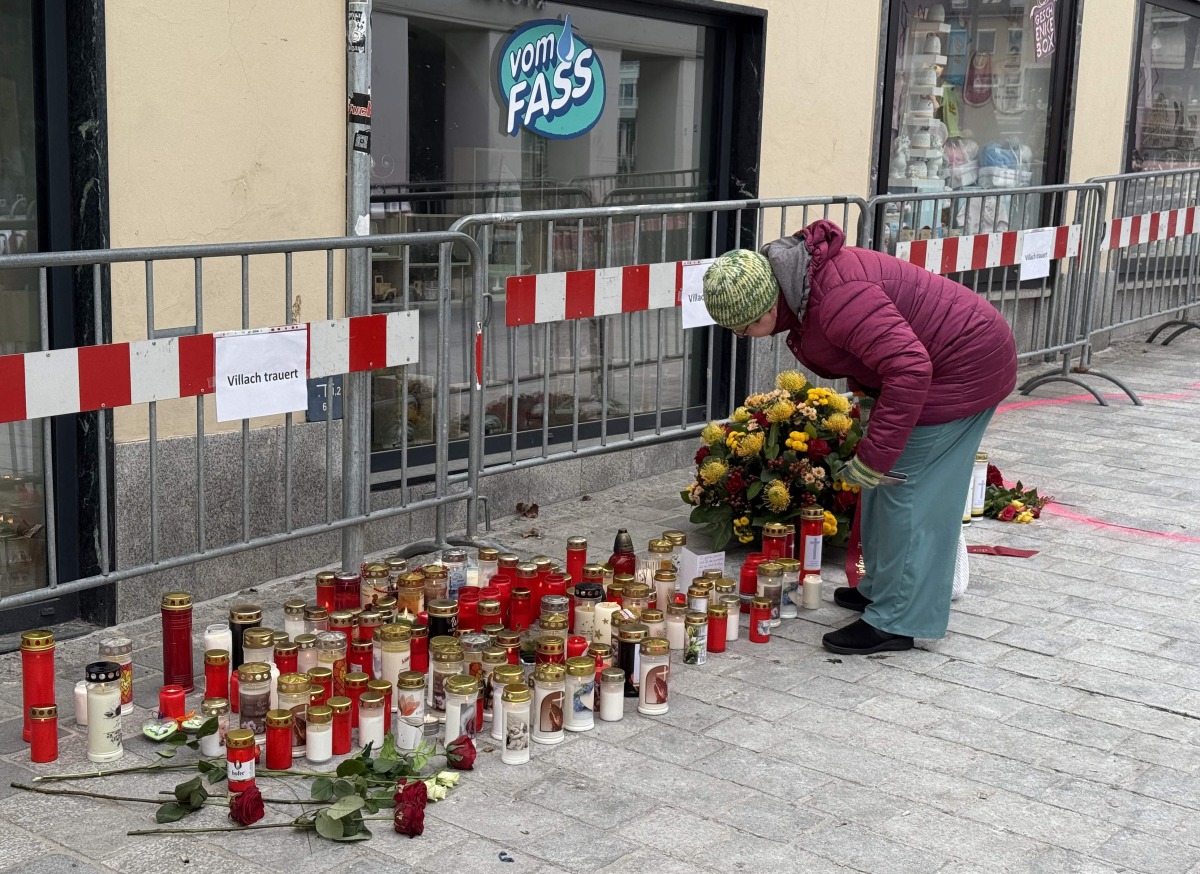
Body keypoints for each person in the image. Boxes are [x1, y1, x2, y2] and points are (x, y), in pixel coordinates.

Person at [702, 220, 1017, 655]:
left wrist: (877, 453)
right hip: (938, 363)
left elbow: (909, 367)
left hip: (963, 366)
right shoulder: (804, 289)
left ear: (767, 308)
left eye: (743, 329)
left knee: (908, 491)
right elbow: (873, 353)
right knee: (884, 486)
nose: (743, 338)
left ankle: (898, 619)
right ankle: (882, 589)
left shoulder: (836, 299)